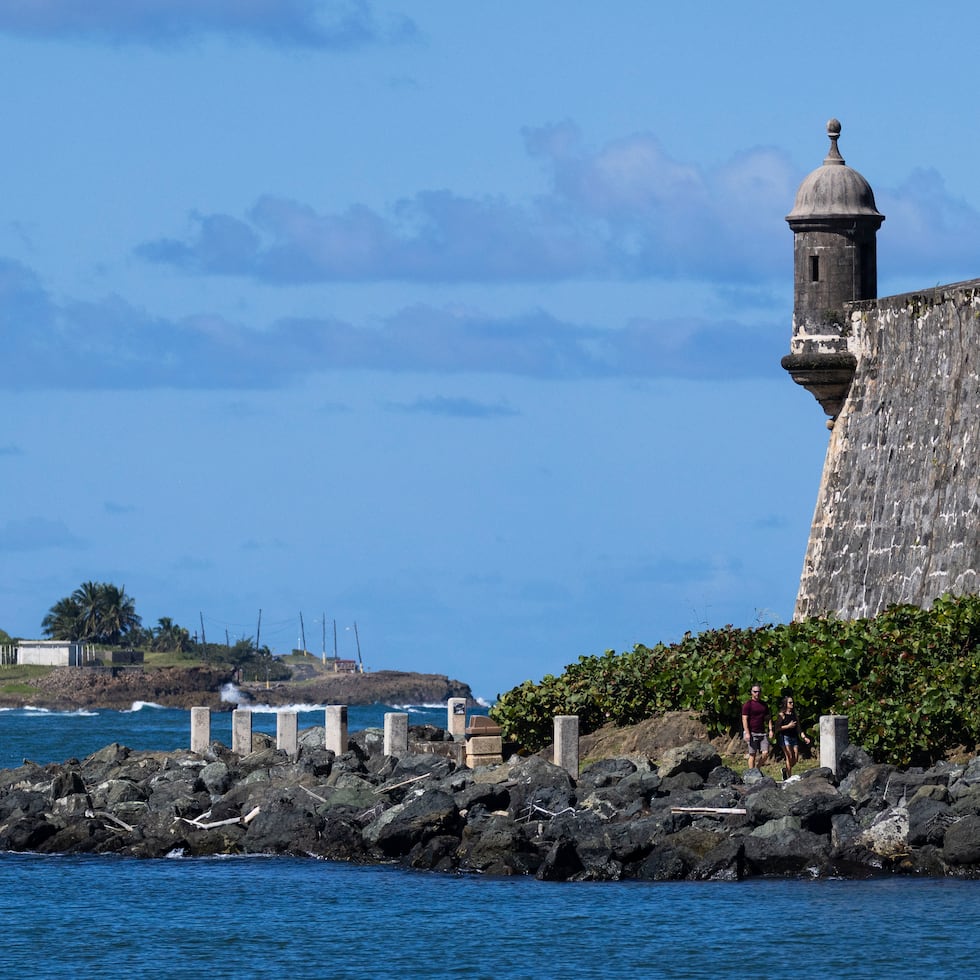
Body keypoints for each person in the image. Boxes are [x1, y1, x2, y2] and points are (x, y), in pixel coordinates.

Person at [776, 695, 812, 779]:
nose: (792, 704)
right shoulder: (782, 715)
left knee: (795, 759)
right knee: (789, 756)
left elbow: (799, 728)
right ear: (786, 704)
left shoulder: (794, 715)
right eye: (790, 702)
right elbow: (777, 728)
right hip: (785, 737)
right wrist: (788, 726)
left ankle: (785, 770)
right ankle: (789, 777)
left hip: (794, 737)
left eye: (792, 702)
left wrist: (804, 737)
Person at [741, 683, 774, 769]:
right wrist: (747, 733)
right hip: (752, 732)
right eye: (755, 692)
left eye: (758, 692)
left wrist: (770, 730)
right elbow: (744, 719)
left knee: (765, 753)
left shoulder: (764, 705)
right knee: (752, 754)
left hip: (762, 732)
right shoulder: (748, 704)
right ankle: (751, 773)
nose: (757, 694)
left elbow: (768, 718)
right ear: (751, 692)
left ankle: (757, 768)